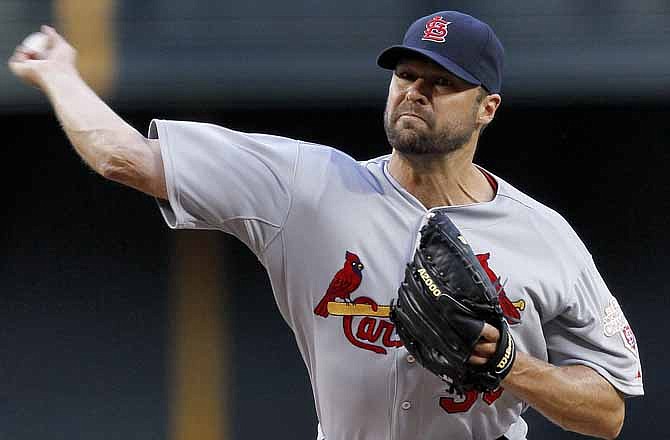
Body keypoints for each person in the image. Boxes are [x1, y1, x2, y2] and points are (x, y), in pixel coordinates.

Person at [9, 10, 643, 440]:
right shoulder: (308, 186)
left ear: (487, 108)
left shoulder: (545, 235)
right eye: (405, 74)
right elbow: (123, 157)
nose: (415, 91)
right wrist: (59, 73)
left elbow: (608, 410)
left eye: (441, 82)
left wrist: (512, 366)